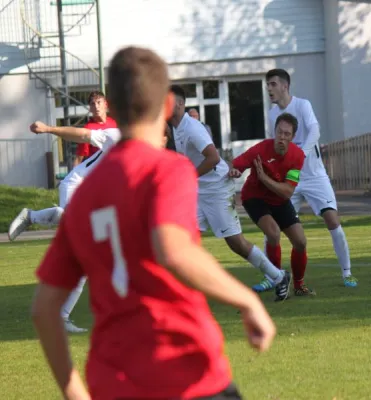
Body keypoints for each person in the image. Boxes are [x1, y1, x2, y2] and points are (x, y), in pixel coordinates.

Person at [31, 46, 275, 400]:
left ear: (111, 107)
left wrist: (75, 393)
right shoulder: (167, 169)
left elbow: (43, 308)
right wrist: (247, 301)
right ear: (164, 106)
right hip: (186, 376)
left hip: (112, 385)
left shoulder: (83, 197)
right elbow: (173, 251)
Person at [170, 85, 291, 302]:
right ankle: (181, 292)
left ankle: (278, 276)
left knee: (235, 242)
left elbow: (213, 158)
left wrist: (188, 176)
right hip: (200, 191)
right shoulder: (175, 127)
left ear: (180, 103)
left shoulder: (192, 128)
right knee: (181, 235)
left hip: (217, 189)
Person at [9, 123, 123, 333]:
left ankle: (35, 216)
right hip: (77, 186)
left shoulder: (143, 154)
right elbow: (83, 134)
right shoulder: (118, 136)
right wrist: (48, 128)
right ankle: (47, 215)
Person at [257, 68, 358, 290]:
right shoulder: (272, 113)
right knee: (272, 226)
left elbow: (315, 130)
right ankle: (271, 275)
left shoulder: (303, 105)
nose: (269, 89)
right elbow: (274, 144)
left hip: (313, 175)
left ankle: (347, 273)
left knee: (332, 220)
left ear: (285, 86)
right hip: (289, 179)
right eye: (268, 86)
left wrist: (300, 153)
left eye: (273, 84)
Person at [229, 112, 315, 296]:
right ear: (274, 131)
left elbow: (288, 191)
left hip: (280, 199)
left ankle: (299, 286)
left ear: (292, 137)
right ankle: (277, 279)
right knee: (273, 233)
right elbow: (236, 164)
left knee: (300, 241)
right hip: (254, 198)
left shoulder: (298, 156)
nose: (282, 138)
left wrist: (264, 179)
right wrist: (235, 171)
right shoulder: (260, 149)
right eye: (279, 132)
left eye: (286, 134)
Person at [73, 91, 117, 166]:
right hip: (98, 171)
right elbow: (78, 159)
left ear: (105, 104)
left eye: (99, 102)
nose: (96, 106)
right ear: (90, 108)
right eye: (93, 104)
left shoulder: (115, 124)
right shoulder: (87, 129)